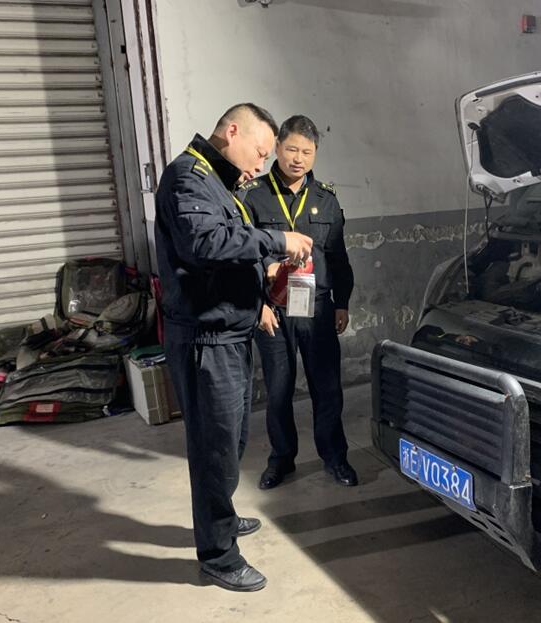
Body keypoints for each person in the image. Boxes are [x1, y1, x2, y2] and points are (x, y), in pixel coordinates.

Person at [155, 103, 313, 592]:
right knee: (214, 448)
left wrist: (262, 286)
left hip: (230, 332)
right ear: (232, 131)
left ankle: (218, 516)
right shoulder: (188, 177)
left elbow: (228, 248)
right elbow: (205, 244)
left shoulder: (217, 183)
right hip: (206, 339)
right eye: (261, 152)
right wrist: (276, 241)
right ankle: (218, 556)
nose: (262, 164)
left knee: (232, 441)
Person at [240, 115, 357, 491]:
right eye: (291, 149)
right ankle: (281, 459)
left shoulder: (325, 198)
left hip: (318, 308)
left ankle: (335, 458)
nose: (298, 158)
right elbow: (243, 258)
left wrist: (342, 302)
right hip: (273, 310)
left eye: (307, 152)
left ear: (315, 154)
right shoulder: (253, 196)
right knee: (278, 390)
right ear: (277, 148)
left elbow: (337, 256)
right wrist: (257, 305)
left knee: (327, 388)